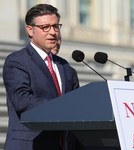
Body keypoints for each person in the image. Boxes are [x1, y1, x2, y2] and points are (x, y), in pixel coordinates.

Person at [3, 4, 79, 150]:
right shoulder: (17, 60)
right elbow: (22, 100)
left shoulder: (65, 66)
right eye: (45, 27)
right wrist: (62, 107)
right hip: (30, 145)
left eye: (56, 26)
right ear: (30, 30)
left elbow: (76, 103)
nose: (52, 32)